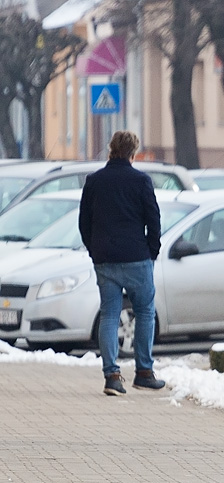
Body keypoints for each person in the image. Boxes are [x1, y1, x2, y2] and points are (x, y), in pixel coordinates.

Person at [79, 130, 165, 396]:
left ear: (110, 149)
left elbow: (84, 222)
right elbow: (154, 219)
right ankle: (144, 372)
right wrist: (152, 251)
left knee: (109, 315)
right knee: (145, 313)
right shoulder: (141, 181)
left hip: (105, 259)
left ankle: (112, 376)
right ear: (133, 152)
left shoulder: (94, 181)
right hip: (137, 257)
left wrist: (95, 250)